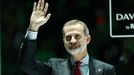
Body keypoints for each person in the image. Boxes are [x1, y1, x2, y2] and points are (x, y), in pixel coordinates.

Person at [19, 0, 116, 75]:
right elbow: (27, 65)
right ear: (63, 41)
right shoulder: (54, 66)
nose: (72, 40)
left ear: (88, 39)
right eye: (68, 38)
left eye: (77, 36)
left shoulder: (105, 70)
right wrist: (33, 28)